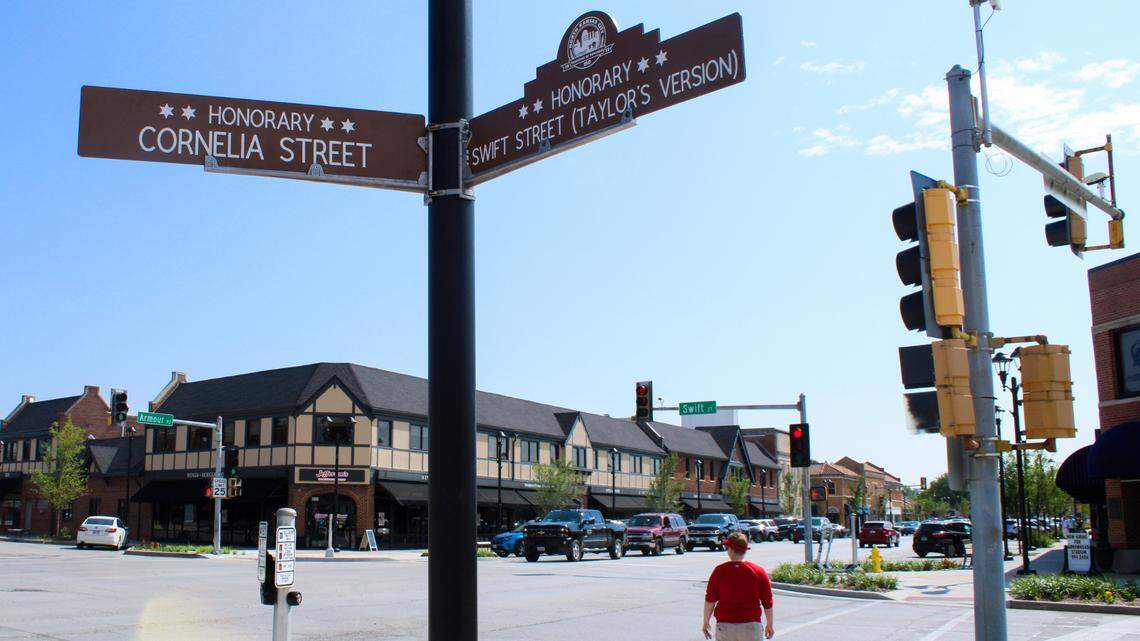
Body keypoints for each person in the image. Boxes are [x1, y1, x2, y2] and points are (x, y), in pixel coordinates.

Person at [702, 531, 774, 640]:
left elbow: (710, 599)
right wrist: (769, 624)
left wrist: (706, 621)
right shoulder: (758, 571)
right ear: (745, 550)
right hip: (751, 626)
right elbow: (767, 602)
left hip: (725, 626)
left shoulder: (719, 571)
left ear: (730, 550)